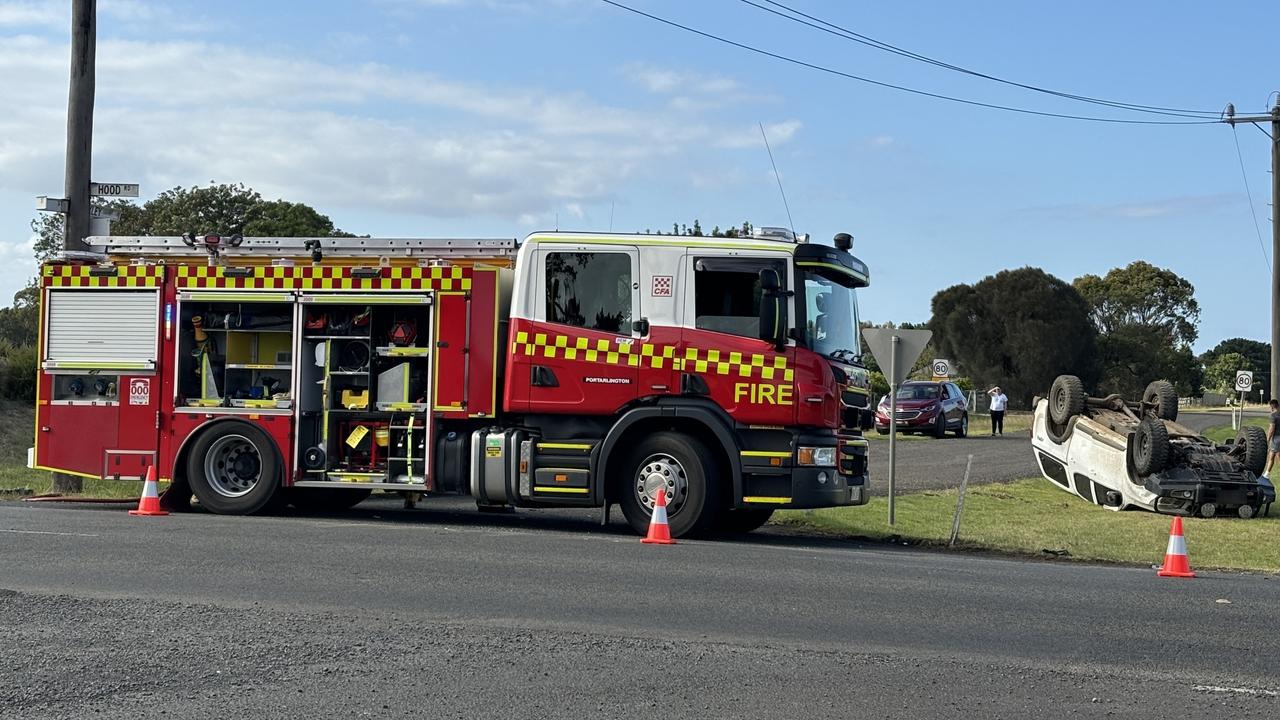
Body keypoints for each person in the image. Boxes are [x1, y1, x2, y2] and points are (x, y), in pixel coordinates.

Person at [1266, 399, 1280, 478]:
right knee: (1274, 455)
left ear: (1272, 406)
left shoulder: (1273, 415)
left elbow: (1272, 429)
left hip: (1276, 438)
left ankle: (1267, 473)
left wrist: (1268, 439)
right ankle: (1267, 473)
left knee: (1274, 456)